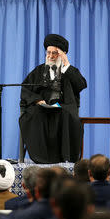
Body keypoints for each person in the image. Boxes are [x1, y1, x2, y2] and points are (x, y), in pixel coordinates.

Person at [19, 34, 87, 163]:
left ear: (62, 54)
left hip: (62, 108)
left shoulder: (69, 71)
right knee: (35, 114)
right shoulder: (38, 71)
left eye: (54, 53)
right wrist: (37, 100)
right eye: (48, 52)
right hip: (41, 107)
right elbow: (25, 89)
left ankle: (64, 157)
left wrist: (66, 64)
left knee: (65, 114)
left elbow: (81, 85)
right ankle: (42, 158)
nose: (50, 56)